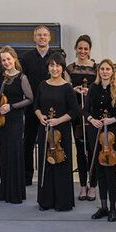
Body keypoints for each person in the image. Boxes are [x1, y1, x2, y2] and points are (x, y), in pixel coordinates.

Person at [85, 58, 116, 222]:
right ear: (99, 71)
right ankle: (103, 207)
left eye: (107, 69)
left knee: (110, 171)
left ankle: (113, 208)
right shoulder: (93, 88)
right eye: (102, 69)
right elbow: (84, 111)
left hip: (112, 135)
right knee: (99, 170)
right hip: (95, 132)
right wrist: (91, 119)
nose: (105, 72)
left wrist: (113, 120)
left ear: (112, 72)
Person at [19, 26, 65, 186]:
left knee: (53, 141)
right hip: (33, 106)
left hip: (54, 107)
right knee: (29, 141)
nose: (42, 37)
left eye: (45, 35)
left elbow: (64, 78)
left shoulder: (57, 56)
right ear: (34, 37)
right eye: (39, 35)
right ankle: (27, 175)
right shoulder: (25, 58)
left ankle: (51, 175)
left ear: (49, 37)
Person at [33, 53, 80, 212]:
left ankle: (62, 202)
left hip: (62, 131)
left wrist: (58, 120)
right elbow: (36, 106)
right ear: (48, 67)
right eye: (51, 65)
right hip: (45, 130)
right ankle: (45, 201)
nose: (54, 68)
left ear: (62, 67)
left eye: (58, 65)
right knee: (45, 164)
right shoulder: (42, 85)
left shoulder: (67, 87)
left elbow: (74, 112)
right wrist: (40, 117)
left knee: (61, 164)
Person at [0, 46, 33, 204]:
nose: (6, 62)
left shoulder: (22, 78)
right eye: (3, 60)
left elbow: (29, 99)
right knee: (2, 153)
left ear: (14, 58)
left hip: (14, 119)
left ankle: (14, 191)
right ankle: (2, 189)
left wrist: (11, 106)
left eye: (8, 59)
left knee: (13, 153)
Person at [68, 34, 97, 200]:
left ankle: (93, 186)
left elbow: (101, 88)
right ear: (76, 49)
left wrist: (90, 91)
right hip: (77, 115)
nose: (83, 51)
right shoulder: (69, 69)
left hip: (92, 114)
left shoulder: (96, 67)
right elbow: (65, 88)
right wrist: (74, 90)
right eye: (80, 48)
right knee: (80, 151)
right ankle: (82, 185)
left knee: (92, 150)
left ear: (90, 50)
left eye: (86, 48)